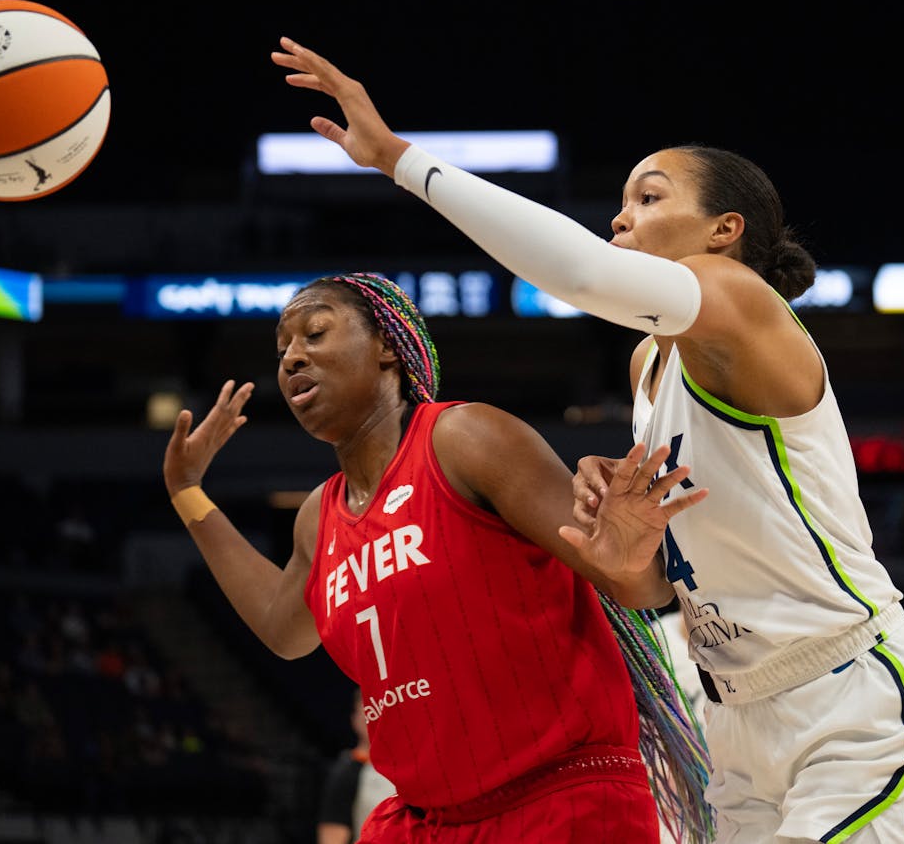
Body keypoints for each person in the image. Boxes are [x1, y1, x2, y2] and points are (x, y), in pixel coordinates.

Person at [270, 37, 904, 844]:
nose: (620, 216)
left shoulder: (743, 305)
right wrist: (621, 542)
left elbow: (578, 276)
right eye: (622, 199)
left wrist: (399, 159)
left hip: (853, 700)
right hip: (738, 722)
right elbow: (651, 594)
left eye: (648, 197)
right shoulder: (651, 365)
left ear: (724, 230)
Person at [162, 272, 711, 843]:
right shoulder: (317, 519)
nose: (293, 357)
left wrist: (625, 559)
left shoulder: (466, 438)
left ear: (387, 349)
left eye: (315, 333)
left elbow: (641, 589)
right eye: (283, 350)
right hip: (427, 821)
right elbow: (284, 629)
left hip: (558, 800)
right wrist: (187, 493)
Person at [317, 688, 396, 844]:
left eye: (382, 710)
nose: (375, 719)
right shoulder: (347, 772)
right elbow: (332, 837)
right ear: (354, 720)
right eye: (368, 712)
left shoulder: (409, 769)